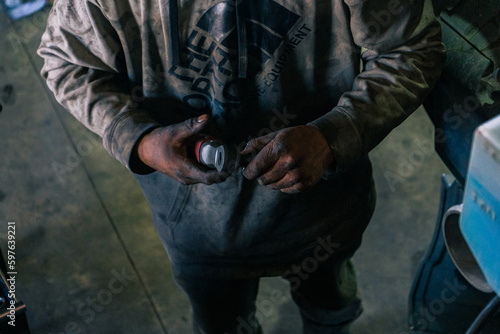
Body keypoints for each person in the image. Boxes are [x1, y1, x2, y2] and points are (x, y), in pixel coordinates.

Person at [38, 0, 445, 333]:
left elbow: (411, 49)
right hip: (198, 232)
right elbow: (65, 62)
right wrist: (139, 140)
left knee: (328, 304)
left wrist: (334, 135)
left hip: (323, 216)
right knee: (222, 323)